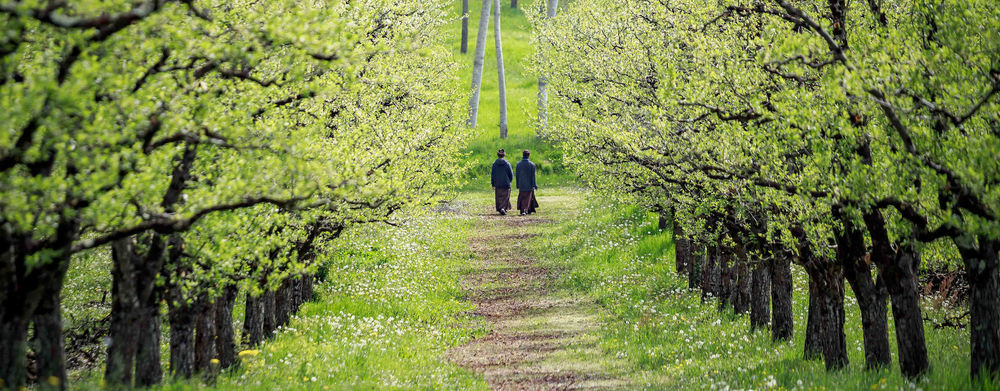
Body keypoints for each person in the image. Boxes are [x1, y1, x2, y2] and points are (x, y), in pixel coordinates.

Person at [515, 149, 539, 215]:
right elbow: (533, 176)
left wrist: (517, 184)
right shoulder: (532, 165)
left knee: (522, 197)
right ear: (529, 155)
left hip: (522, 184)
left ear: (523, 155)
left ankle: (524, 209)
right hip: (529, 185)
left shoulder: (518, 164)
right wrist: (535, 185)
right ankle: (525, 210)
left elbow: (517, 176)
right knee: (527, 198)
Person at [490, 149, 514, 215]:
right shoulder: (507, 164)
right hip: (506, 183)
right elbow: (511, 174)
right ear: (504, 155)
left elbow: (493, 175)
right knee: (506, 197)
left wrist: (493, 183)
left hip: (498, 183)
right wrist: (509, 181)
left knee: (498, 197)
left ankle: (500, 208)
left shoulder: (494, 164)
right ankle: (503, 208)